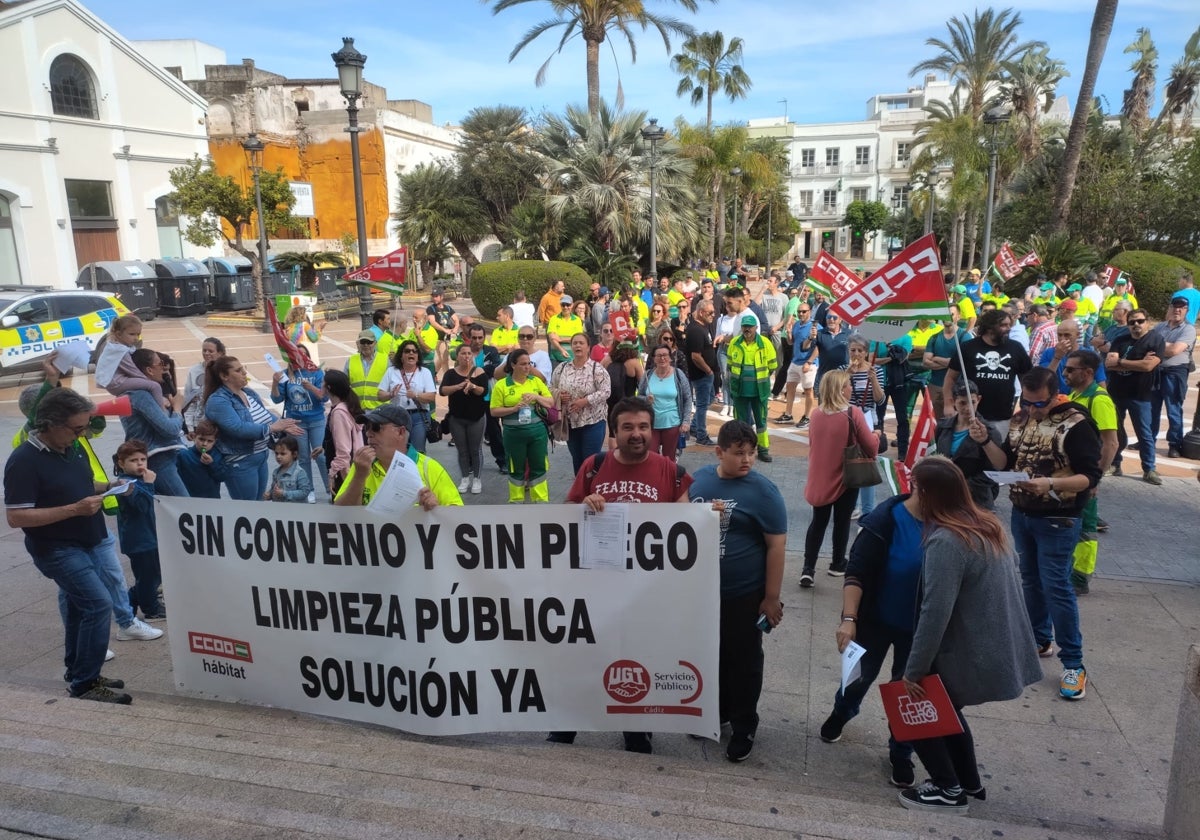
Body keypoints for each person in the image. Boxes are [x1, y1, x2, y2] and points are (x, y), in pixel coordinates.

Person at [898, 457, 1042, 813]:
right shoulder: (987, 523)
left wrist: (914, 670)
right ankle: (968, 781)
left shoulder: (947, 540)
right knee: (948, 707)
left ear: (928, 493)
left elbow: (935, 610)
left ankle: (948, 789)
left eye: (915, 488)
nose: (910, 495)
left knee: (912, 706)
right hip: (997, 646)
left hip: (971, 651)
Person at [550, 397, 693, 754]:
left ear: (652, 430)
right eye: (628, 427)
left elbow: (686, 526)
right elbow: (565, 512)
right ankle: (569, 723)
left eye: (643, 426)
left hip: (645, 591)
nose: (637, 434)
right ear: (614, 431)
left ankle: (636, 727)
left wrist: (709, 517)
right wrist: (583, 506)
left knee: (638, 658)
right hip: (595, 584)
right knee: (584, 655)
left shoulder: (671, 472)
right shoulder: (594, 466)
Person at [4, 389, 150, 705]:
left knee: (76, 606)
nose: (82, 434)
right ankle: (85, 683)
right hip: (57, 548)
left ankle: (79, 671)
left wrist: (112, 486)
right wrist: (73, 509)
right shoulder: (24, 461)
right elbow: (16, 517)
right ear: (51, 423)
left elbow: (83, 483)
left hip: (90, 539)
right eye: (76, 428)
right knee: (97, 604)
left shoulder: (71, 447)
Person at [986, 366, 1101, 701]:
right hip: (1024, 513)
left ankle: (1074, 664)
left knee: (1057, 588)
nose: (1033, 409)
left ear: (1056, 395)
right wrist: (984, 441)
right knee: (1030, 580)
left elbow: (1090, 478)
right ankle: (1039, 638)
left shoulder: (1077, 423)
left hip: (1059, 517)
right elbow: (1005, 460)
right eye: (1027, 401)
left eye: (1040, 403)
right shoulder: (1022, 418)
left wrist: (1050, 483)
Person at [688, 420, 786, 762]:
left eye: (752, 452)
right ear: (719, 452)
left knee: (744, 661)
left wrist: (770, 597)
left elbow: (776, 546)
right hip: (701, 593)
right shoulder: (700, 480)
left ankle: (745, 724)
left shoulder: (764, 492)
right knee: (711, 655)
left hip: (743, 594)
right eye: (739, 453)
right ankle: (718, 711)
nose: (747, 460)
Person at [823, 476, 921, 789]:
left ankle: (902, 750)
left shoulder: (953, 525)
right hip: (874, 619)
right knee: (857, 676)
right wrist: (849, 618)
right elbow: (857, 572)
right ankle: (842, 710)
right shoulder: (885, 519)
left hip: (921, 629)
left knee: (909, 690)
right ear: (915, 484)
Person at [801, 371, 880, 587]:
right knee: (842, 521)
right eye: (847, 385)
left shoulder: (816, 414)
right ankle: (837, 563)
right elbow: (871, 448)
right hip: (846, 476)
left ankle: (808, 568)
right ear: (839, 389)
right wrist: (877, 436)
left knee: (818, 522)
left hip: (820, 477)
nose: (851, 389)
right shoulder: (852, 413)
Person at [202, 356, 301, 501]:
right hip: (241, 462)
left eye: (243, 368)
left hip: (260, 457)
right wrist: (272, 428)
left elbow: (266, 416)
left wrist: (284, 424)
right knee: (247, 507)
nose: (244, 373)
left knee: (258, 504)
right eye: (238, 370)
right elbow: (238, 428)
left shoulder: (248, 393)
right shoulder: (218, 400)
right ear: (224, 376)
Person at [333, 405, 462, 509]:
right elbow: (341, 515)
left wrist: (436, 508)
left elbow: (459, 517)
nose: (368, 433)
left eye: (376, 428)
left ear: (400, 432)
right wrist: (359, 477)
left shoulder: (429, 468)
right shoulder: (362, 466)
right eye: (367, 427)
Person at [1064, 350, 1118, 594]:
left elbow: (1111, 443)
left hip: (1087, 477)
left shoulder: (1099, 400)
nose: (1065, 373)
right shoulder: (1077, 394)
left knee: (1085, 526)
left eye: (1070, 369)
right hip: (1073, 474)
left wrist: (1095, 479)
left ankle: (1079, 579)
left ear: (1087, 373)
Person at [943, 309, 1032, 438]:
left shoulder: (1015, 348)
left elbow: (1027, 380)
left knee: (997, 454)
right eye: (1003, 325)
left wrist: (1027, 406)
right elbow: (950, 378)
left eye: (1009, 325)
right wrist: (948, 404)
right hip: (969, 415)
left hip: (1002, 416)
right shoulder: (968, 347)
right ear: (990, 328)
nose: (1008, 328)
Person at [1106, 308, 1165, 484]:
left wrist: (1122, 362)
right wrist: (1137, 363)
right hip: (1116, 392)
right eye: (1132, 322)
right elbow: (1109, 364)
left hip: (1141, 394)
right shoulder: (1120, 339)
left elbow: (1149, 366)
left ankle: (1149, 469)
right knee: (1114, 430)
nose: (1136, 325)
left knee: (1144, 433)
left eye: (1140, 321)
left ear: (1147, 322)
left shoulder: (1155, 340)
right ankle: (1115, 464)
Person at [120, 348, 189, 497]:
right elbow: (170, 429)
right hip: (157, 458)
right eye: (160, 364)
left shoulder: (145, 393)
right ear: (149, 370)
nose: (163, 368)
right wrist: (177, 408)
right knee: (184, 505)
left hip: (163, 455)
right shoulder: (140, 395)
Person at [491, 349, 555, 503]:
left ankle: (540, 501)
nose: (527, 367)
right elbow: (494, 411)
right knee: (515, 468)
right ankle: (516, 501)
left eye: (529, 364)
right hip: (514, 435)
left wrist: (536, 396)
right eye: (523, 364)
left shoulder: (535, 381)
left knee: (539, 466)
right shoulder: (502, 385)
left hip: (537, 433)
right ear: (513, 365)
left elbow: (551, 402)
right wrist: (513, 409)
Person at [112, 439, 166, 622]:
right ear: (121, 463)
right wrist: (150, 484)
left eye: (143, 459)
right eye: (134, 461)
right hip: (139, 541)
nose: (140, 464)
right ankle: (151, 609)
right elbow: (141, 506)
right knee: (148, 577)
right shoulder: (125, 483)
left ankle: (130, 602)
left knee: (153, 574)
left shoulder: (138, 480)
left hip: (149, 537)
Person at [269, 348, 328, 501]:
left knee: (321, 456)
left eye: (302, 354)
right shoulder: (285, 375)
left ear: (307, 357)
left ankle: (330, 488)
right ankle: (308, 490)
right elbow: (276, 399)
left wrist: (311, 387)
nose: (298, 358)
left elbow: (324, 398)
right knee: (303, 458)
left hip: (316, 420)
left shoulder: (316, 373)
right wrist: (275, 383)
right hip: (296, 423)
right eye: (294, 355)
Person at [933, 380, 1002, 509]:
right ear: (953, 401)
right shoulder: (942, 427)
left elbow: (993, 471)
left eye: (972, 402)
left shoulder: (989, 432)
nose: (967, 408)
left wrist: (962, 486)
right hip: (945, 497)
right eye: (962, 403)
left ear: (979, 400)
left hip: (976, 501)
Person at [551, 332, 611, 473]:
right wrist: (559, 395)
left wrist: (585, 401)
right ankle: (579, 492)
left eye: (581, 343)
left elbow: (606, 391)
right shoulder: (562, 368)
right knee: (577, 461)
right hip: (570, 423)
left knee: (590, 461)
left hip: (593, 422)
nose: (577, 345)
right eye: (575, 343)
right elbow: (550, 387)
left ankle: (592, 491)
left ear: (588, 347)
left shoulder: (597, 369)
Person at [439, 343, 490, 494]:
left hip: (476, 417)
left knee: (475, 449)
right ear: (458, 356)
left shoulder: (479, 372)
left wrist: (472, 386)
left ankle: (477, 479)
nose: (466, 356)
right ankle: (464, 478)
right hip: (457, 417)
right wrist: (458, 386)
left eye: (469, 353)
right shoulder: (450, 374)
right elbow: (442, 391)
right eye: (463, 353)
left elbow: (483, 391)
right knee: (462, 450)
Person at [1150, 296, 1196, 459]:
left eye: (1181, 308)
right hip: (1156, 371)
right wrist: (1165, 346)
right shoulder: (1160, 327)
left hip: (1175, 372)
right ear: (1169, 308)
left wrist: (1159, 346)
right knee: (1151, 409)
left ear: (1186, 311)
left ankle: (1174, 445)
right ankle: (1148, 441)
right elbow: (1146, 344)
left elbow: (1175, 350)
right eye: (1175, 306)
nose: (1177, 310)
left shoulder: (1188, 329)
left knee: (1173, 410)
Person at [727, 315, 778, 462]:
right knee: (740, 422)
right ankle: (741, 449)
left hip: (759, 391)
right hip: (740, 390)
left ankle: (763, 450)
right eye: (745, 326)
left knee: (761, 422)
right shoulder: (735, 343)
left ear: (756, 327)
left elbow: (772, 366)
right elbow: (730, 366)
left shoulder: (765, 344)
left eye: (750, 326)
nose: (747, 329)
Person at [847, 336, 885, 519]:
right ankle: (851, 504)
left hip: (869, 420)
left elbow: (880, 399)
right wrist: (847, 376)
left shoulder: (876, 370)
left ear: (866, 352)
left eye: (860, 350)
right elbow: (839, 397)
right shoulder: (842, 370)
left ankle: (868, 510)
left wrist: (874, 380)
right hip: (849, 419)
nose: (856, 354)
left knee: (868, 462)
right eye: (853, 350)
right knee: (850, 460)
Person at [378, 339, 438, 453]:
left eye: (414, 351)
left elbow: (431, 397)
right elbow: (380, 395)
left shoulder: (424, 372)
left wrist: (416, 395)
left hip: (418, 417)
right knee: (398, 451)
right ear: (401, 356)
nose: (411, 353)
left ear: (418, 356)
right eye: (407, 351)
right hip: (397, 417)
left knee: (418, 451)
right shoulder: (391, 371)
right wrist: (390, 394)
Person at [637, 342, 692, 463]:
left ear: (670, 357)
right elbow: (639, 396)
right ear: (653, 358)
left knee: (669, 460)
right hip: (651, 424)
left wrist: (686, 421)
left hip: (672, 423)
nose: (662, 358)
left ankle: (668, 480)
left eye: (665, 355)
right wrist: (646, 400)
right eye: (659, 355)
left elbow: (688, 398)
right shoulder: (648, 375)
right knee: (650, 458)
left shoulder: (678, 375)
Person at [322, 369, 364, 497]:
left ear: (329, 387)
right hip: (353, 468)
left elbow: (343, 452)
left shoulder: (339, 413)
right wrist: (324, 446)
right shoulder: (346, 406)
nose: (320, 384)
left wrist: (332, 475)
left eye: (323, 382)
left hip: (344, 473)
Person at [922, 307, 968, 421]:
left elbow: (964, 363)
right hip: (935, 385)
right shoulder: (935, 337)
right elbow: (926, 362)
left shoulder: (965, 337)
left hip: (957, 387)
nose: (947, 317)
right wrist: (951, 362)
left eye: (951, 314)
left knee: (957, 421)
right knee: (936, 421)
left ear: (958, 316)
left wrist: (936, 358)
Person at [778, 301, 818, 427]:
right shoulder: (796, 325)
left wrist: (809, 362)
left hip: (807, 363)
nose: (801, 314)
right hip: (795, 361)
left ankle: (807, 416)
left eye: (804, 311)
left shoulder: (815, 327)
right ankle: (788, 414)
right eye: (799, 312)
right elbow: (791, 343)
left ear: (809, 312)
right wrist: (789, 332)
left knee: (808, 391)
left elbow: (818, 347)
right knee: (790, 387)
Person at [685, 300, 718, 446]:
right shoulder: (696, 330)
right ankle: (701, 434)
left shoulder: (702, 327)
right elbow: (695, 356)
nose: (713, 315)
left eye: (713, 312)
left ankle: (694, 426)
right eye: (710, 313)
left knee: (708, 399)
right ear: (701, 312)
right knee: (702, 405)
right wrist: (708, 370)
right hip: (701, 374)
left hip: (705, 374)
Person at [182, 337, 225, 430]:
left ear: (220, 353)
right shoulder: (194, 371)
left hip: (219, 422)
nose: (206, 353)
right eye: (204, 350)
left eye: (210, 351)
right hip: (199, 424)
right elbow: (189, 399)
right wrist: (189, 427)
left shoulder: (225, 371)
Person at [176, 418, 225, 499]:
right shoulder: (184, 455)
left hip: (212, 501)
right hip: (191, 500)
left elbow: (222, 477)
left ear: (215, 442)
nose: (205, 444)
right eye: (201, 439)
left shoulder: (217, 455)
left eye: (209, 441)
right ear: (195, 437)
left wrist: (212, 464)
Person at [345, 329, 389, 411]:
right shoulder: (351, 360)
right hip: (358, 409)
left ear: (375, 343)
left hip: (380, 410)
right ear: (358, 343)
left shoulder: (385, 360)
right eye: (363, 342)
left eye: (369, 342)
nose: (366, 345)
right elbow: (344, 384)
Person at [265, 434, 313, 502]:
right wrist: (269, 494)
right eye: (276, 453)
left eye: (283, 454)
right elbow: (274, 489)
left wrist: (285, 493)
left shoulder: (299, 472)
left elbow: (304, 492)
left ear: (294, 454)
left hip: (295, 510)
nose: (278, 456)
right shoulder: (276, 472)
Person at [427, 288, 460, 374]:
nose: (434, 298)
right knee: (445, 359)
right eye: (433, 296)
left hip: (447, 338)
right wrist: (444, 330)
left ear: (442, 297)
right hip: (438, 338)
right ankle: (448, 380)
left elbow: (456, 319)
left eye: (436, 296)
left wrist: (456, 328)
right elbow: (432, 322)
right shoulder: (431, 309)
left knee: (442, 358)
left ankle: (433, 374)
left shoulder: (448, 308)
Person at [546, 295, 585, 366]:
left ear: (572, 305)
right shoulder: (553, 319)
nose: (565, 307)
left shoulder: (577, 320)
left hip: (572, 358)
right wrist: (562, 350)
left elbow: (577, 339)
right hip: (555, 358)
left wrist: (560, 339)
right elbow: (552, 338)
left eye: (568, 305)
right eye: (563, 305)